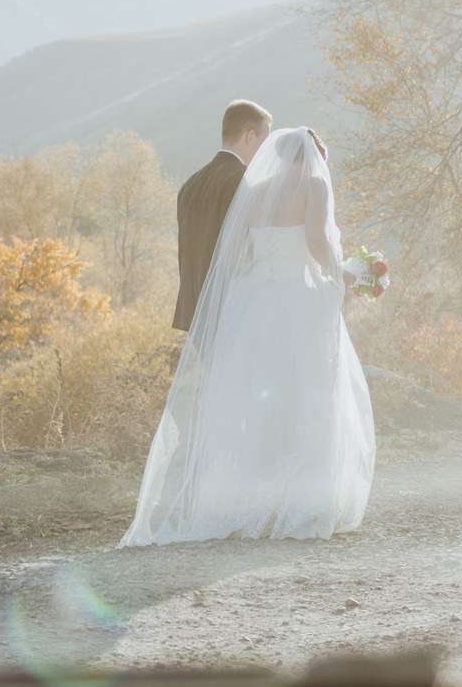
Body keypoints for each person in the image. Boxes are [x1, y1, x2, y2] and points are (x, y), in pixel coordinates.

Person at [123, 126, 375, 544]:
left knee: (256, 399)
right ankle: (302, 503)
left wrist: (259, 273)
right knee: (305, 393)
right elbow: (315, 240)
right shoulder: (313, 185)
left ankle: (253, 500)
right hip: (299, 299)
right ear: (315, 156)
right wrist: (342, 275)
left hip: (256, 301)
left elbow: (234, 253)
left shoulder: (255, 189)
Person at [172, 100, 270, 333]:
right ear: (250, 136)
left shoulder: (190, 183)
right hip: (228, 307)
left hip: (194, 310)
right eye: (264, 141)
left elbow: (185, 250)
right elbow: (239, 250)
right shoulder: (241, 180)